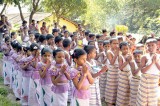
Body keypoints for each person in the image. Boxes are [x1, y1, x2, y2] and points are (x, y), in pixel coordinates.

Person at [136, 38, 160, 106]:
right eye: (148, 45)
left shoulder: (159, 56)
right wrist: (152, 63)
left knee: (152, 99)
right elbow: (142, 71)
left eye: (152, 45)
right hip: (145, 80)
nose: (150, 47)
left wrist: (156, 62)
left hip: (154, 81)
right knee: (143, 98)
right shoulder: (144, 57)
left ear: (157, 46)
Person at [105, 38, 119, 106]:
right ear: (110, 44)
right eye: (114, 43)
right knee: (111, 88)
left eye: (117, 43)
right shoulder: (109, 52)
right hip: (112, 72)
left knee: (116, 87)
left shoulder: (119, 51)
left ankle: (115, 102)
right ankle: (109, 102)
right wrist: (116, 54)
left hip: (118, 72)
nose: (116, 45)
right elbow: (112, 62)